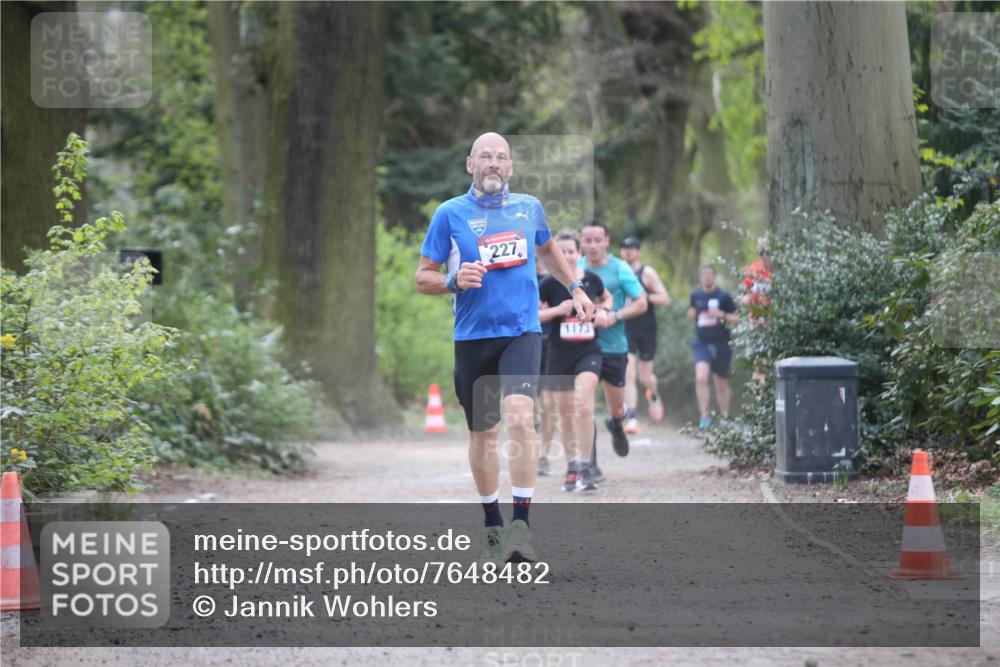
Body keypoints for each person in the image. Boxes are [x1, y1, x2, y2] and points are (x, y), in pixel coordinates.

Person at [415, 132, 595, 564]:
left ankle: (522, 528)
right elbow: (423, 277)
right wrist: (452, 281)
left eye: (501, 158)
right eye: (485, 157)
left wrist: (576, 287)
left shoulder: (528, 208)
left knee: (519, 418)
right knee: (484, 434)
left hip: (522, 330)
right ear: (470, 164)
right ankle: (493, 526)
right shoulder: (449, 214)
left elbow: (548, 250)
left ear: (510, 167)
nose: (493, 164)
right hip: (473, 338)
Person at [538, 229, 611, 492]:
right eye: (562, 252)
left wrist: (603, 311)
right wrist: (558, 310)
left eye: (571, 251)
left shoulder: (591, 280)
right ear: (554, 255)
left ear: (578, 254)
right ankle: (572, 466)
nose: (567, 256)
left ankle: (586, 465)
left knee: (583, 405)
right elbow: (530, 315)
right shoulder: (547, 283)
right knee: (567, 414)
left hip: (588, 352)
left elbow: (607, 298)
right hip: (559, 354)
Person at [578, 220, 648, 465]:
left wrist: (614, 315)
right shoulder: (573, 268)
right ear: (581, 242)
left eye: (598, 240)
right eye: (588, 240)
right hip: (580, 348)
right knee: (583, 407)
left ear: (607, 241)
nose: (593, 245)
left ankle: (615, 423)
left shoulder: (620, 268)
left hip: (613, 346)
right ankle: (590, 465)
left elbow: (641, 301)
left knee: (617, 408)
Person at [619, 236, 671, 433]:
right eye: (625, 248)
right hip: (626, 328)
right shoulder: (619, 272)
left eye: (632, 248)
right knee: (628, 372)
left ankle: (654, 394)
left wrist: (643, 296)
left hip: (646, 328)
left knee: (645, 377)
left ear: (638, 251)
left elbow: (665, 298)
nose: (629, 251)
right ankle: (631, 417)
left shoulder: (646, 273)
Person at [687, 264, 739, 429]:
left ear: (714, 276)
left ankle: (724, 417)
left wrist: (722, 314)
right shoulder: (696, 294)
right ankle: (705, 417)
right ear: (700, 277)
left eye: (710, 274)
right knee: (701, 377)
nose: (707, 278)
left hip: (721, 342)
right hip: (702, 341)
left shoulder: (723, 296)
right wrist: (692, 313)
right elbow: (693, 311)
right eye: (704, 275)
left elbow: (737, 318)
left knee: (720, 382)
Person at [534, 256, 559, 477]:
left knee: (549, 403)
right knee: (527, 407)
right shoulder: (520, 273)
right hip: (525, 344)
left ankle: (543, 455)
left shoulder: (560, 277)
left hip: (553, 346)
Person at [742, 237, 773, 383]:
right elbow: (744, 296)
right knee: (759, 363)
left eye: (767, 252)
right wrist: (749, 299)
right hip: (756, 320)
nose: (765, 256)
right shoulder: (752, 271)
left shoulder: (779, 271)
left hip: (775, 321)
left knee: (771, 362)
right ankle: (758, 399)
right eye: (762, 252)